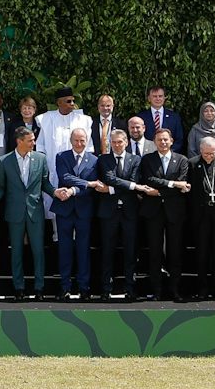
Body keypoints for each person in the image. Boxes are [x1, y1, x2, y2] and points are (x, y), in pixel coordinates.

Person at [0, 127, 51, 299]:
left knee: (38, 251)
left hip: (35, 211)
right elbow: (1, 188)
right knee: (16, 251)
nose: (33, 143)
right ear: (19, 142)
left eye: (33, 140)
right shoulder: (4, 161)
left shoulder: (41, 159)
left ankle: (39, 288)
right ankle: (18, 287)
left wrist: (56, 192)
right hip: (14, 212)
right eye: (30, 140)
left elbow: (45, 184)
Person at [138, 129, 191, 301]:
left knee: (175, 252)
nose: (163, 142)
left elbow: (183, 185)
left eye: (165, 140)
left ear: (172, 141)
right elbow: (148, 180)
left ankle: (175, 290)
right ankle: (157, 290)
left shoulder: (182, 160)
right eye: (159, 140)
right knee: (154, 252)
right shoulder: (147, 159)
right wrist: (172, 184)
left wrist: (160, 192)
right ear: (154, 141)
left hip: (175, 212)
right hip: (153, 212)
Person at [93, 129, 142, 301]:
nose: (117, 145)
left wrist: (110, 189)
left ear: (126, 142)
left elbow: (135, 181)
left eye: (120, 142)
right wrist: (128, 187)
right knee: (107, 251)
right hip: (109, 212)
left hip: (129, 211)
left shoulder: (136, 159)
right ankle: (106, 288)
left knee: (130, 251)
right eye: (113, 142)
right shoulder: (103, 159)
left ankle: (130, 288)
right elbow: (109, 178)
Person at [52, 128, 100, 300]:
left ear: (87, 140)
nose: (79, 144)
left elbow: (91, 189)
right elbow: (64, 177)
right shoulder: (61, 156)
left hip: (84, 209)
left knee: (83, 249)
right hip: (64, 209)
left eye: (82, 141)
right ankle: (64, 287)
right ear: (70, 140)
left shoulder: (94, 160)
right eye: (76, 140)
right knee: (64, 249)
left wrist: (74, 190)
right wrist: (88, 183)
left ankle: (84, 287)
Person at [185, 136, 215, 301]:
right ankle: (202, 288)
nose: (209, 156)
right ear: (200, 151)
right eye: (206, 154)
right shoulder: (191, 164)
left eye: (212, 153)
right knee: (202, 254)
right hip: (201, 215)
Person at [35, 89, 89, 182]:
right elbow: (40, 146)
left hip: (75, 166)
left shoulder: (82, 120)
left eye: (73, 101)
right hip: (51, 166)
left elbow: (88, 147)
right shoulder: (46, 119)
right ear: (59, 102)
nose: (72, 103)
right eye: (68, 101)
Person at [135, 87, 185, 155]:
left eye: (160, 96)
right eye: (155, 96)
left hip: (169, 155)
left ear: (164, 98)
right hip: (147, 156)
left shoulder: (174, 117)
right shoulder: (141, 117)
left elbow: (179, 139)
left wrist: (169, 152)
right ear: (149, 98)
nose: (158, 99)